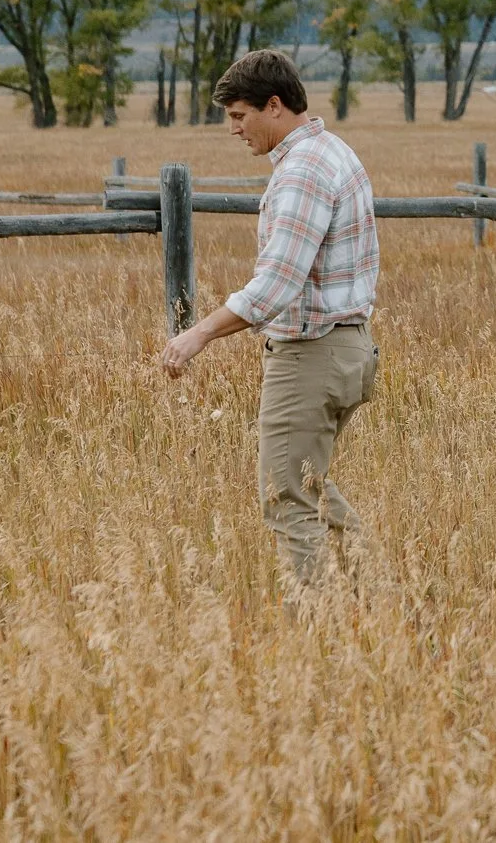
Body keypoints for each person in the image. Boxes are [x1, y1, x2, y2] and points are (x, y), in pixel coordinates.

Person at [159, 48, 381, 591]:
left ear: (275, 106)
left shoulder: (303, 172)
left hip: (311, 356)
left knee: (287, 499)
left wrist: (199, 333)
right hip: (348, 350)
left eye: (239, 116)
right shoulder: (333, 152)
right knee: (312, 487)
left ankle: (315, 628)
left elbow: (278, 284)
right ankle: (379, 598)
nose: (234, 130)